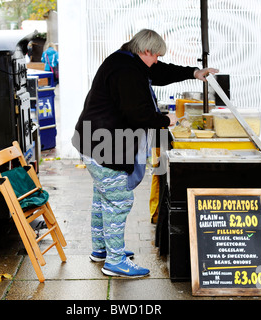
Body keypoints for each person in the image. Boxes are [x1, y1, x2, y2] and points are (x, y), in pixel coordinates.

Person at [72, 29, 218, 277]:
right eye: (156, 56)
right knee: (119, 201)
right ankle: (115, 261)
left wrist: (193, 73)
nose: (157, 61)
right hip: (105, 146)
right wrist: (166, 119)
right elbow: (137, 112)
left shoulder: (127, 59)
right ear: (146, 51)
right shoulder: (126, 71)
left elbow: (160, 72)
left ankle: (102, 250)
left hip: (92, 141)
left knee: (103, 198)